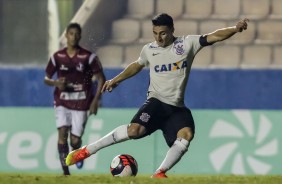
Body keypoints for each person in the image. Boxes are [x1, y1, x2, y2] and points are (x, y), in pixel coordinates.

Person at [65, 14, 248, 178]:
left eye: (163, 33)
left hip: (176, 107)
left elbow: (214, 36)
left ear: (172, 30)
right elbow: (137, 65)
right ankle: (87, 151)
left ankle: (159, 173)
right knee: (134, 131)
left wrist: (234, 29)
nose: (159, 38)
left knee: (186, 134)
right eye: (155, 33)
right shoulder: (149, 49)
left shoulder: (187, 44)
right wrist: (116, 80)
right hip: (156, 102)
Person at [44, 23, 105, 175]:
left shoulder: (89, 57)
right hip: (62, 101)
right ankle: (66, 173)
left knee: (75, 140)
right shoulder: (57, 57)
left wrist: (95, 100)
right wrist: (56, 83)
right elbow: (46, 78)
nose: (74, 37)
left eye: (77, 34)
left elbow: (101, 78)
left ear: (80, 36)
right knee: (62, 133)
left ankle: (77, 150)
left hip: (82, 103)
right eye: (71, 33)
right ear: (66, 35)